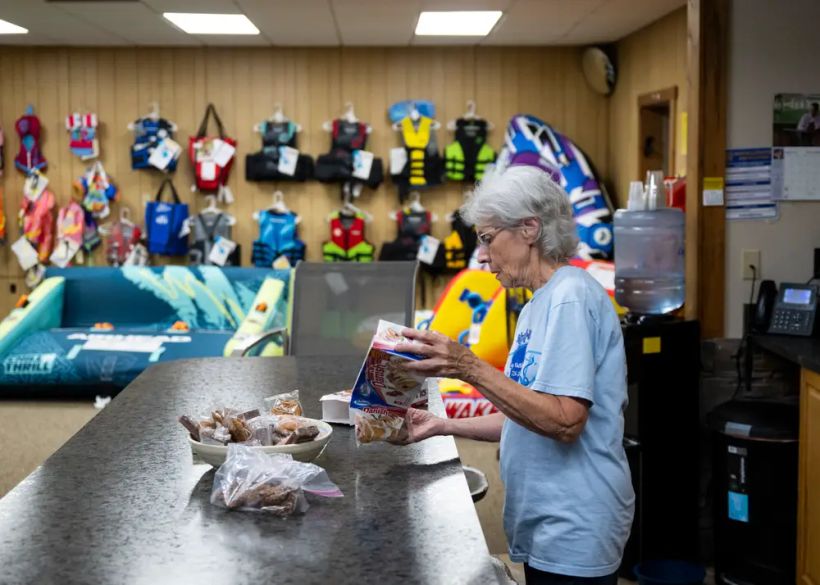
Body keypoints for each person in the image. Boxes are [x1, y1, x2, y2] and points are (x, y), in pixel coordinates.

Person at [392, 164, 635, 585]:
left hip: (575, 523)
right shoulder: (536, 305)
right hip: (545, 521)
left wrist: (466, 365)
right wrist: (444, 425)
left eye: (487, 239)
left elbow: (563, 421)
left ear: (529, 229)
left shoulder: (571, 297)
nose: (482, 254)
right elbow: (526, 413)